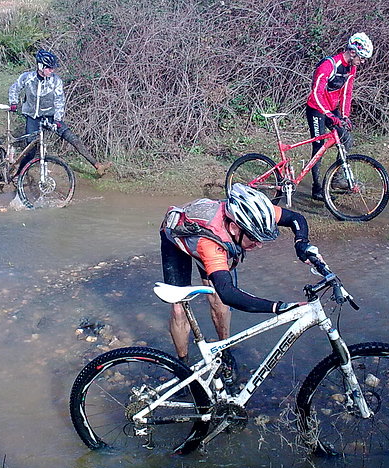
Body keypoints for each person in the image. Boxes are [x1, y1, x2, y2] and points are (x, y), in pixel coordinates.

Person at [160, 183, 321, 372]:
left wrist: (301, 243)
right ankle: (182, 366)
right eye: (254, 238)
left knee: (219, 304)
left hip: (211, 234)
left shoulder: (255, 214)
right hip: (177, 239)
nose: (259, 245)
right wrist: (277, 307)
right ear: (236, 228)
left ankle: (225, 351)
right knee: (179, 309)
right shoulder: (211, 245)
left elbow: (296, 218)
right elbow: (229, 293)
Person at [8, 49, 112, 177]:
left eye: (53, 69)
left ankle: (97, 164)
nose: (52, 71)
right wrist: (13, 102)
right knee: (31, 150)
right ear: (40, 66)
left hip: (50, 117)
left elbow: (59, 100)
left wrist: (57, 119)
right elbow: (14, 88)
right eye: (49, 68)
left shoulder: (56, 81)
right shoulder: (27, 78)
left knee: (72, 138)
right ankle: (18, 175)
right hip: (33, 118)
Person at [305, 32, 373, 200]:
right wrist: (327, 113)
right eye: (361, 58)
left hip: (331, 109)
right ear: (352, 52)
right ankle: (316, 188)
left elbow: (346, 94)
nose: (362, 62)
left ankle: (337, 179)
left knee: (346, 139)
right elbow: (316, 93)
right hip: (316, 108)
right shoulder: (329, 65)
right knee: (319, 146)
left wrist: (345, 116)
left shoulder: (351, 68)